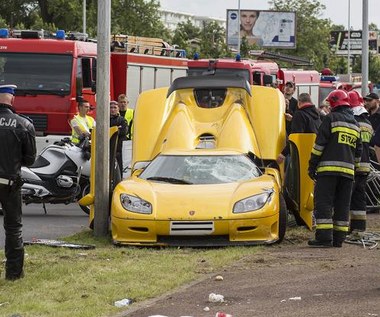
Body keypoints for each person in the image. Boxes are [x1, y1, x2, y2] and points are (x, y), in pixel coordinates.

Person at [308, 90, 362, 248]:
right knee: (342, 205)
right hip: (348, 174)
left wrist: (312, 166)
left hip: (328, 171)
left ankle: (324, 237)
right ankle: (339, 239)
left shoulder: (330, 118)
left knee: (324, 202)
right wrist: (353, 168)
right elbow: (358, 152)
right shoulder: (355, 124)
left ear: (333, 104)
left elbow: (319, 146)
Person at [0, 84, 36, 280]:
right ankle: (13, 274)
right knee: (13, 227)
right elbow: (30, 159)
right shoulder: (24, 124)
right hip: (9, 182)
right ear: (12, 99)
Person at [347, 91, 373, 233]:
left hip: (353, 165)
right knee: (359, 197)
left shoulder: (353, 123)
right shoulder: (368, 123)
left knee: (346, 197)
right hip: (365, 165)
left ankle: (342, 227)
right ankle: (359, 227)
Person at [277, 93, 321, 164]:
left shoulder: (299, 114)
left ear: (299, 102)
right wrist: (293, 119)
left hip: (301, 155)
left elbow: (295, 137)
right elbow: (308, 126)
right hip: (314, 155)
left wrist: (283, 154)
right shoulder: (317, 115)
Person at [110, 100, 127, 175]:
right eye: (111, 107)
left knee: (119, 170)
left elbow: (123, 131)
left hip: (119, 150)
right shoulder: (105, 119)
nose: (113, 109)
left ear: (118, 109)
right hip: (108, 149)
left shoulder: (122, 120)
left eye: (114, 107)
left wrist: (112, 130)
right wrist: (116, 128)